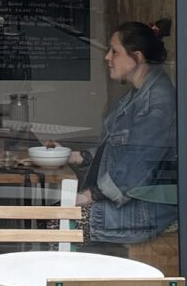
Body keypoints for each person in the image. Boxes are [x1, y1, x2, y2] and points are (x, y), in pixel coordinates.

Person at [54, 19, 178, 244]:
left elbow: (134, 167)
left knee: (58, 218)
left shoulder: (156, 105)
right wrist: (77, 156)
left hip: (147, 211)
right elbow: (119, 147)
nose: (107, 57)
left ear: (137, 58)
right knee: (54, 211)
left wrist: (89, 196)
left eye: (115, 51)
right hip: (130, 204)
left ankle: (68, 279)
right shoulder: (138, 94)